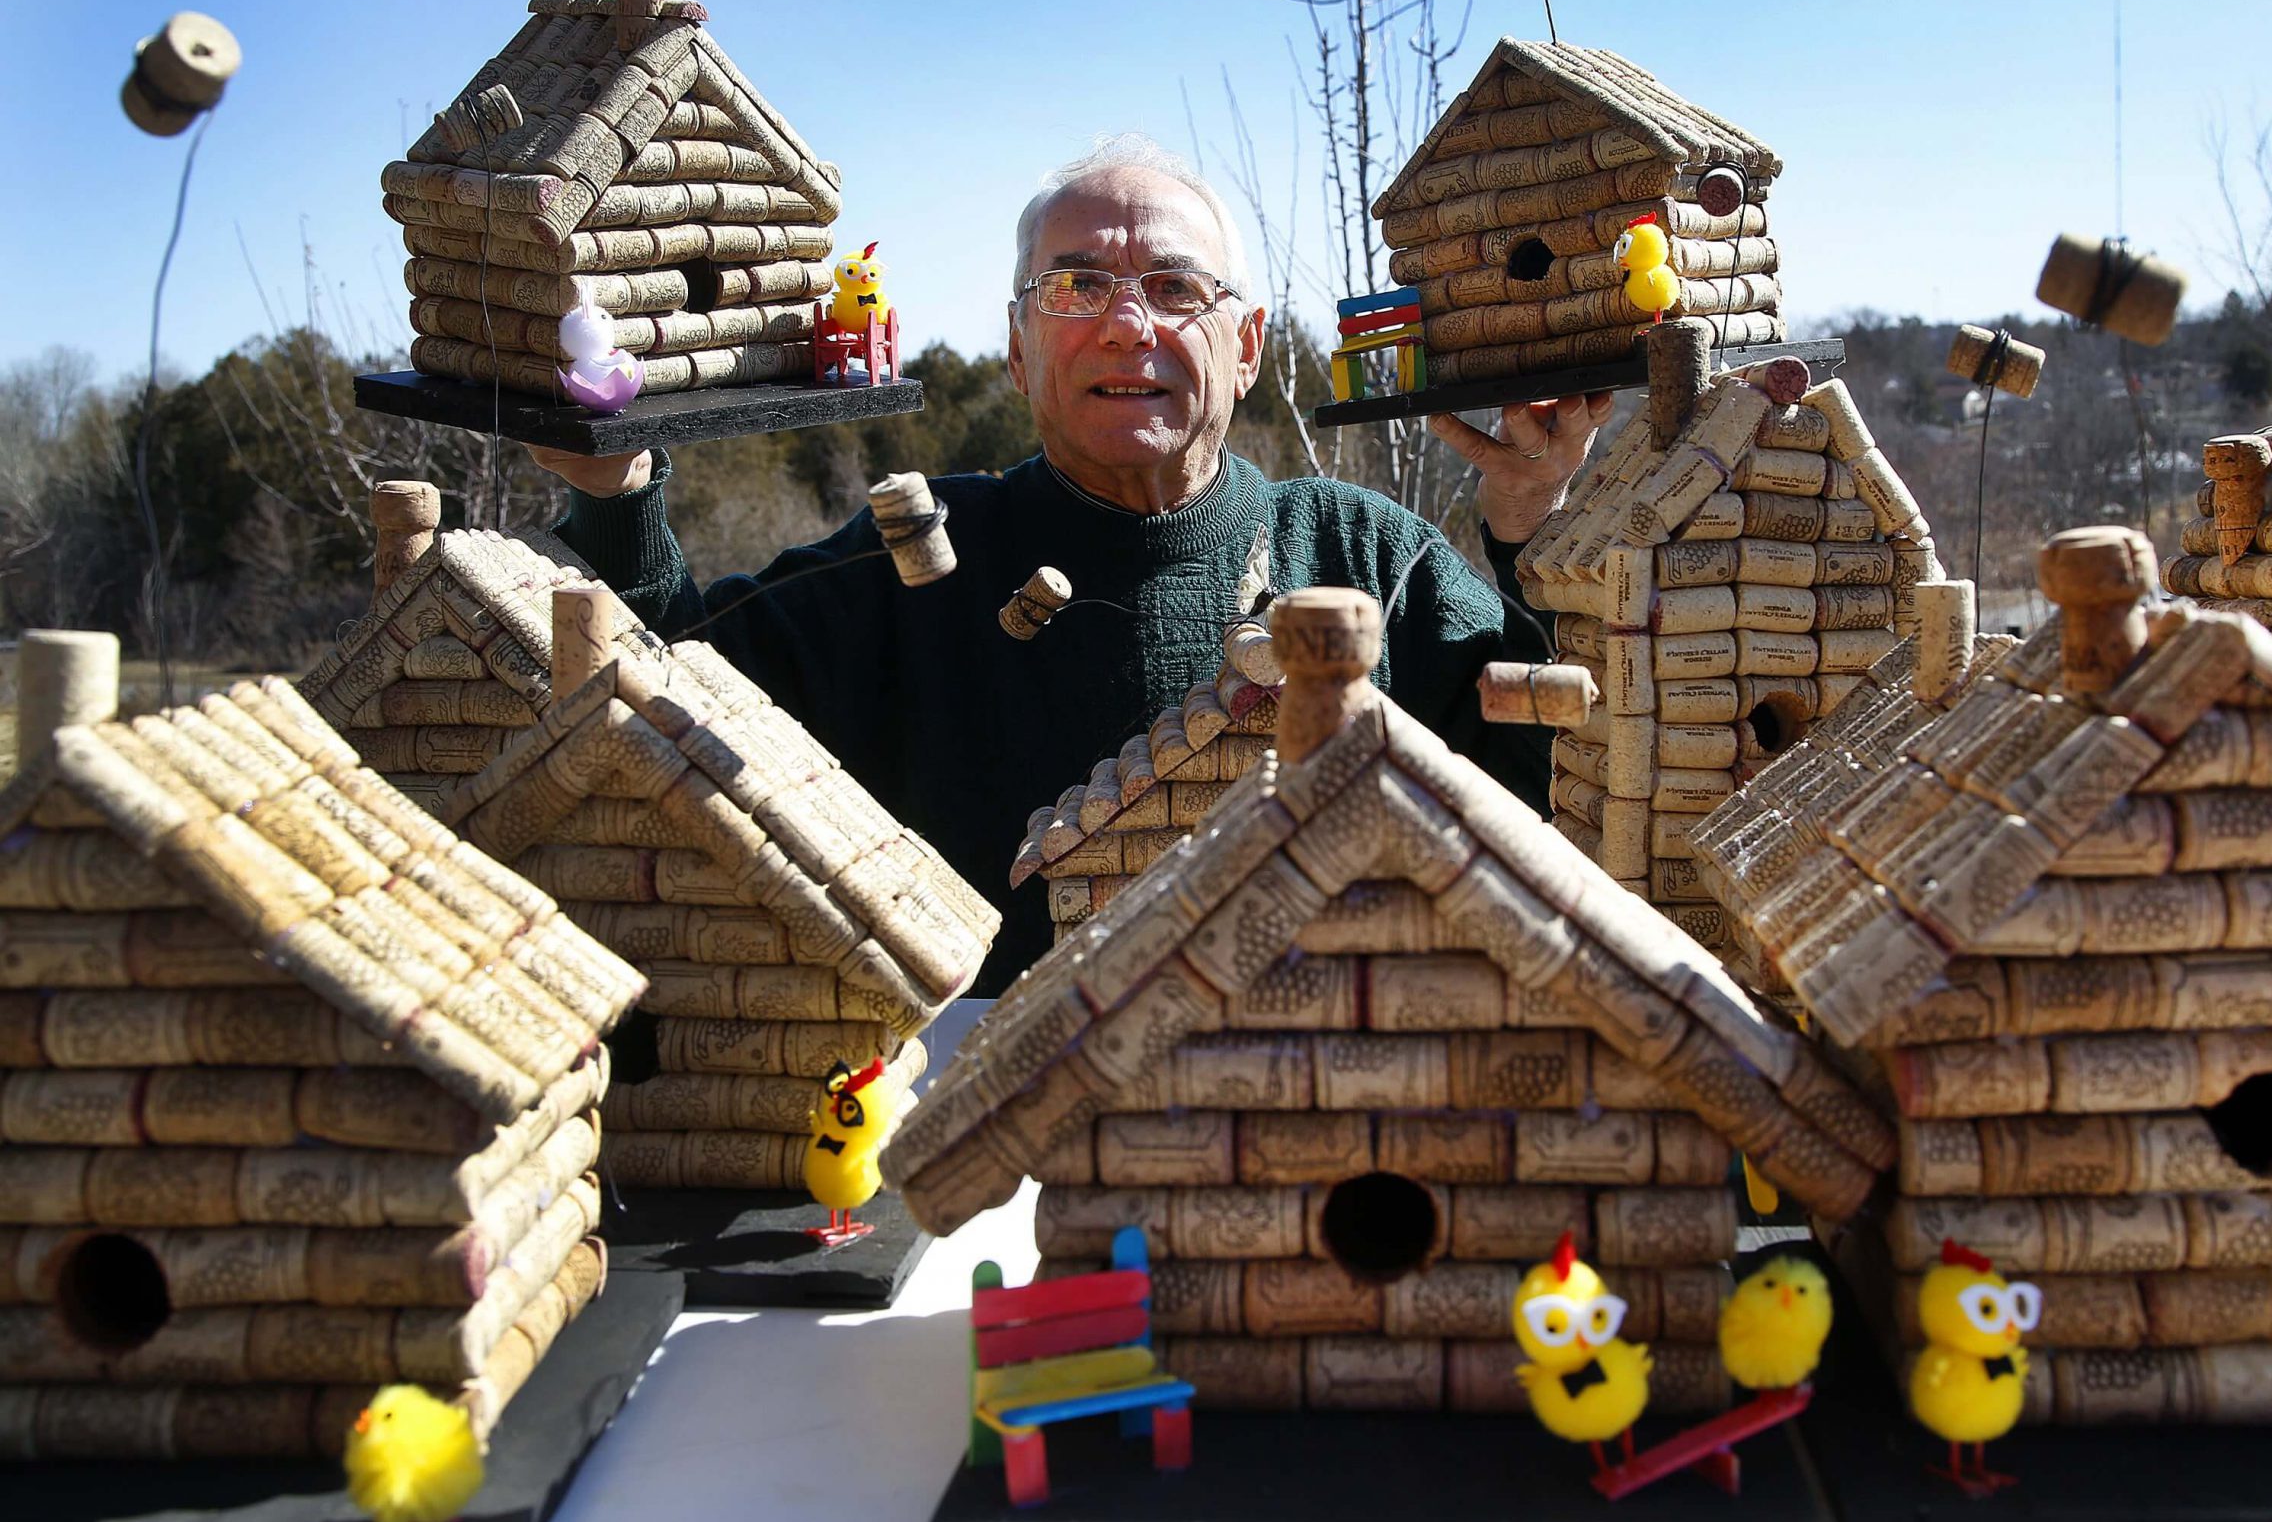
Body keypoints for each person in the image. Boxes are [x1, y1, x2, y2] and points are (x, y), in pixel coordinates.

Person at [535, 135, 1613, 993]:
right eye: (1077, 286)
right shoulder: (917, 561)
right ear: (1015, 348)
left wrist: (1530, 527)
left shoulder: (1361, 555)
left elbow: (1573, 789)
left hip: (1322, 1114)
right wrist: (615, 500)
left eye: (1175, 288)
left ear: (1246, 347)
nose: (1126, 325)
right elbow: (666, 709)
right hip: (990, 1146)